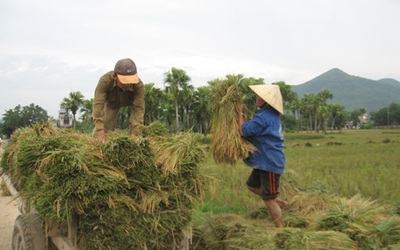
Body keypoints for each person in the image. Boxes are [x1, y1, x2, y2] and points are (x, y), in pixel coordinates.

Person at [237, 84, 287, 228]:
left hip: (270, 162)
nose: (256, 98)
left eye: (260, 96)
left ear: (266, 101)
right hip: (263, 161)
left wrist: (240, 113)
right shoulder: (269, 115)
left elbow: (243, 131)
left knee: (268, 200)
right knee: (252, 185)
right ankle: (279, 202)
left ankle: (281, 229)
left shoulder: (264, 117)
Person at [92, 58, 145, 142]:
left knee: (136, 133)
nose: (128, 84)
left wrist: (134, 135)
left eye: (131, 81)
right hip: (111, 104)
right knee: (104, 132)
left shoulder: (138, 86)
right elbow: (98, 107)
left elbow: (138, 110)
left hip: (131, 102)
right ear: (115, 77)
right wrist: (100, 133)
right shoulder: (105, 81)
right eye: (125, 81)